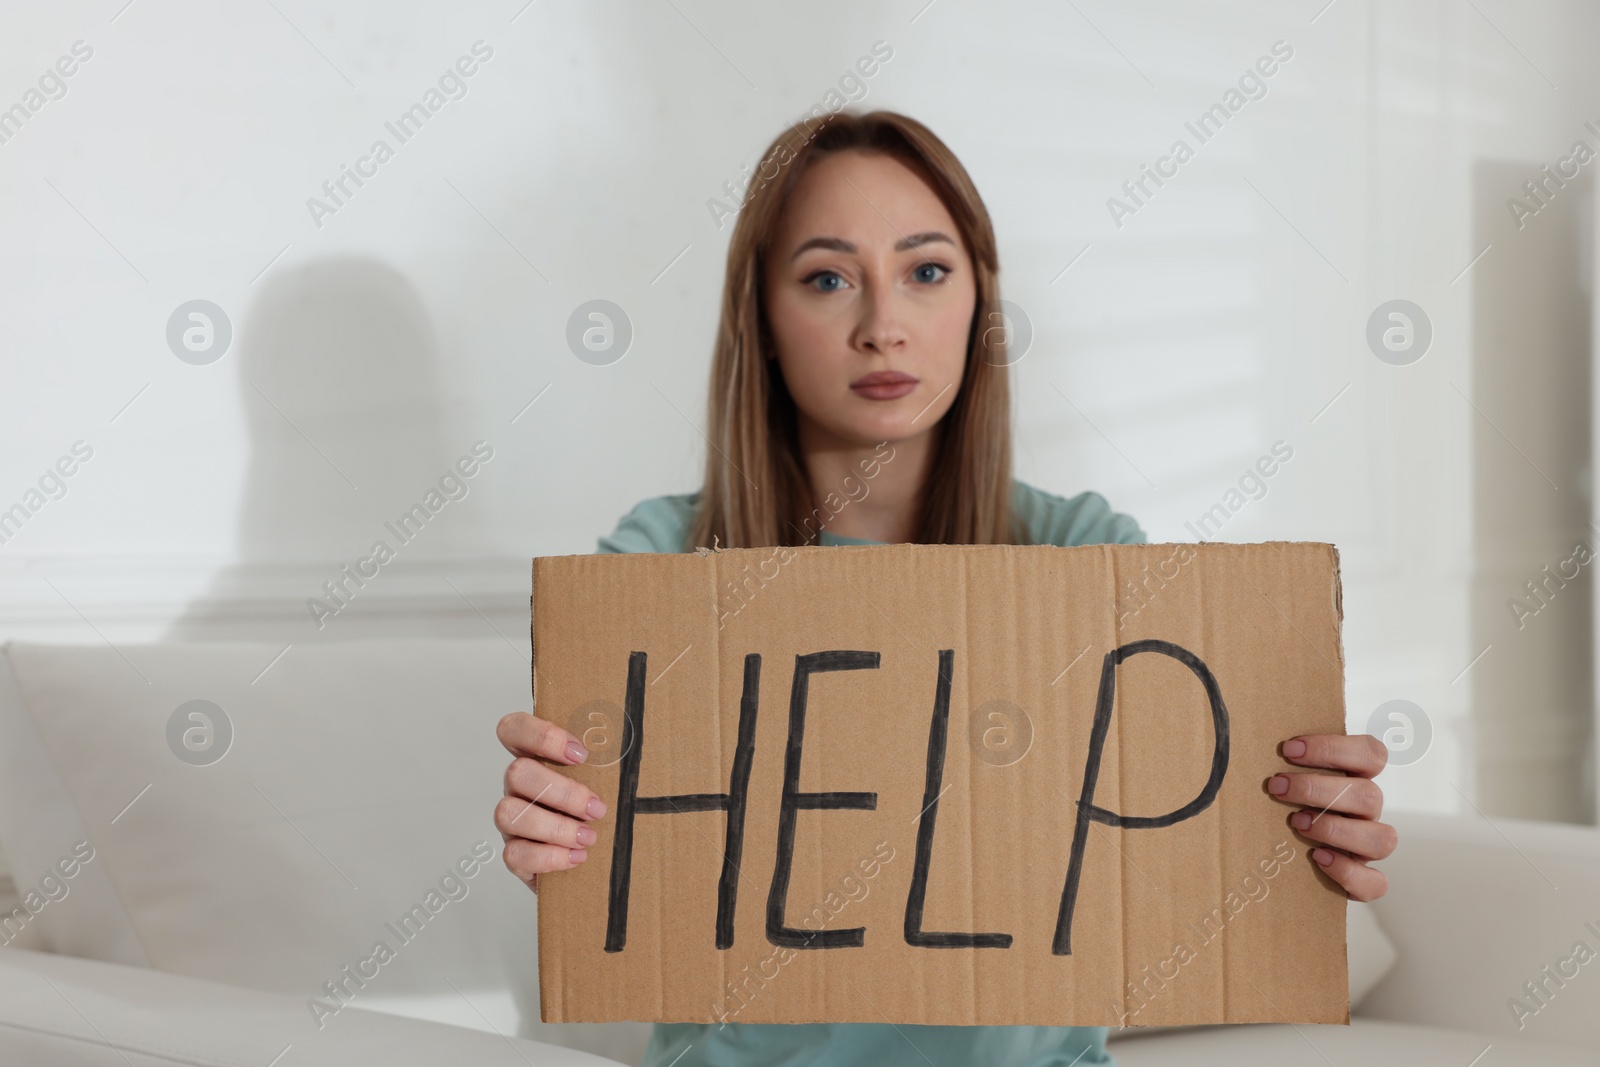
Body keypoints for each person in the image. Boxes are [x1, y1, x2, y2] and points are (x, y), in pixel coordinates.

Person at [495, 109, 1397, 1067]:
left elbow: (1185, 851)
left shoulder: (1089, 556)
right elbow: (611, 858)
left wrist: (1308, 829)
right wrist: (551, 827)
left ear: (979, 307)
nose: (883, 327)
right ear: (759, 318)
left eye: (926, 271)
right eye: (827, 278)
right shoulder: (657, 565)